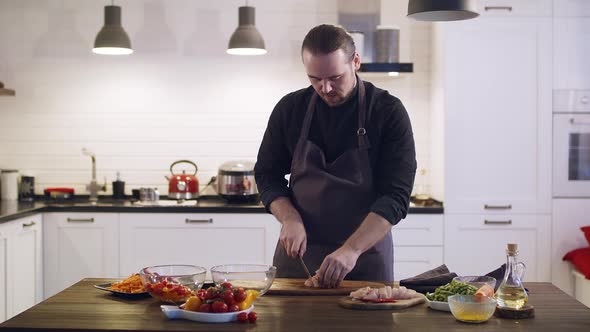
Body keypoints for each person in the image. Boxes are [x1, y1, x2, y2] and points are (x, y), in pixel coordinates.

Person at [254, 24, 416, 287]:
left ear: (356, 62)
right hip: (299, 259)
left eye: (335, 77)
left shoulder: (388, 112)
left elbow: (396, 196)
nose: (325, 88)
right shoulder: (290, 109)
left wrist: (351, 249)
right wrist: (289, 218)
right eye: (314, 79)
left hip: (364, 257)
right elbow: (267, 174)